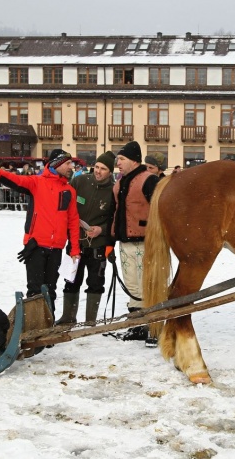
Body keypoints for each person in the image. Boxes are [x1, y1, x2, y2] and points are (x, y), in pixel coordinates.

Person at [0, 149, 80, 316]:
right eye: (67, 163)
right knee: (35, 291)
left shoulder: (69, 191)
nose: (71, 167)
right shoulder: (36, 182)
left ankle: (47, 325)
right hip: (36, 245)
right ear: (56, 164)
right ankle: (35, 326)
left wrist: (75, 249)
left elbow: (73, 222)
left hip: (57, 248)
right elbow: (16, 180)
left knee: (50, 290)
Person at [57, 151, 117, 326]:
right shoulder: (80, 181)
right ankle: (68, 317)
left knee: (95, 283)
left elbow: (115, 220)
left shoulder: (113, 190)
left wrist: (102, 229)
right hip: (75, 241)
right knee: (71, 280)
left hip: (98, 245)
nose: (98, 171)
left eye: (103, 169)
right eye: (96, 167)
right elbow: (66, 206)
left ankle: (90, 320)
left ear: (110, 172)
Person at [113, 141, 160, 345]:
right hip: (124, 242)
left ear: (134, 160)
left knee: (147, 285)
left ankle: (153, 328)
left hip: (145, 242)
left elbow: (160, 209)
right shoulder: (121, 181)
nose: (118, 163)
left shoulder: (149, 180)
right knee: (132, 285)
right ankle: (137, 325)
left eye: (122, 159)